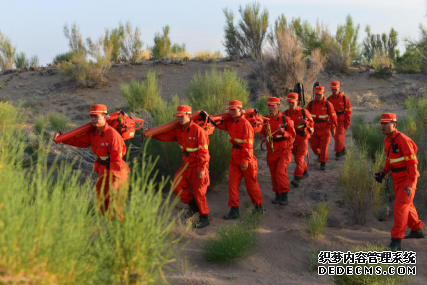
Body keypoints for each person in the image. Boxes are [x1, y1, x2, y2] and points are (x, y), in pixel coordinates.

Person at [54, 104, 129, 220]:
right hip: (103, 170)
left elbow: (117, 160)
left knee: (115, 204)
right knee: (101, 201)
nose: (93, 119)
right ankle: (105, 227)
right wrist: (62, 137)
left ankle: (120, 230)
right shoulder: (93, 134)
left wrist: (115, 182)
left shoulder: (113, 135)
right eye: (91, 117)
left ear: (104, 116)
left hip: (116, 171)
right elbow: (77, 141)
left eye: (96, 116)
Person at [151, 105, 211, 229]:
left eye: (181, 116)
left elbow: (204, 153)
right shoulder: (179, 130)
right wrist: (151, 134)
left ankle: (204, 217)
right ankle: (193, 207)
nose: (178, 119)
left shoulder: (198, 131)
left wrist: (201, 169)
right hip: (186, 165)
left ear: (188, 115)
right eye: (177, 116)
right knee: (176, 186)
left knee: (199, 192)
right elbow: (165, 136)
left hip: (197, 165)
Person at [376, 113, 424, 250]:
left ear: (394, 124)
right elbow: (390, 159)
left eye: (386, 123)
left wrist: (410, 183)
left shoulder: (403, 140)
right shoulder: (387, 140)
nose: (383, 126)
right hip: (396, 179)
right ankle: (416, 230)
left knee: (400, 206)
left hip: (407, 179)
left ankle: (396, 240)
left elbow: (412, 164)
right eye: (381, 123)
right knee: (407, 206)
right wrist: (383, 172)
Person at [216, 100, 264, 219]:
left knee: (251, 185)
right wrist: (211, 120)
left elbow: (248, 145)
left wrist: (245, 161)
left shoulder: (245, 125)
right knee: (232, 185)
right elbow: (220, 125)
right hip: (234, 157)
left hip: (245, 158)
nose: (231, 112)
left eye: (234, 109)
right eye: (230, 110)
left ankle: (258, 208)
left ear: (240, 109)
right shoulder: (231, 123)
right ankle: (234, 211)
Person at [260, 97, 295, 205]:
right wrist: (263, 138)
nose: (270, 108)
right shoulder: (265, 120)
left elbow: (293, 136)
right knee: (274, 173)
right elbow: (262, 133)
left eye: (273, 106)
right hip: (272, 150)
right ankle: (277, 194)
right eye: (269, 106)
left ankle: (284, 195)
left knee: (280, 172)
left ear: (278, 106)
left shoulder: (285, 120)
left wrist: (283, 132)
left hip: (284, 150)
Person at [284, 93, 314, 187]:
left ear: (297, 102)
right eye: (289, 102)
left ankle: (297, 178)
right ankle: (304, 171)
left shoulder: (304, 112)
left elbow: (311, 124)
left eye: (293, 102)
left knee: (299, 158)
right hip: (292, 141)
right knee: (298, 160)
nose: (291, 104)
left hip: (302, 139)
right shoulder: (285, 114)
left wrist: (306, 123)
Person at [306, 86, 337, 170]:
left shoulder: (328, 104)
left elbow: (333, 118)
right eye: (316, 94)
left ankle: (323, 163)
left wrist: (332, 128)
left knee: (324, 147)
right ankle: (319, 155)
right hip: (313, 129)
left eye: (319, 94)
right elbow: (306, 115)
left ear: (323, 94)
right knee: (313, 146)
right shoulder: (311, 104)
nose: (318, 96)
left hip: (324, 129)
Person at [327, 81, 352, 160]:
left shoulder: (344, 99)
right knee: (336, 137)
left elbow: (348, 112)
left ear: (339, 88)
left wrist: (347, 123)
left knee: (338, 137)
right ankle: (343, 149)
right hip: (332, 121)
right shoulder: (328, 99)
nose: (334, 91)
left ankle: (338, 153)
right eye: (332, 89)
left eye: (335, 89)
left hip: (341, 121)